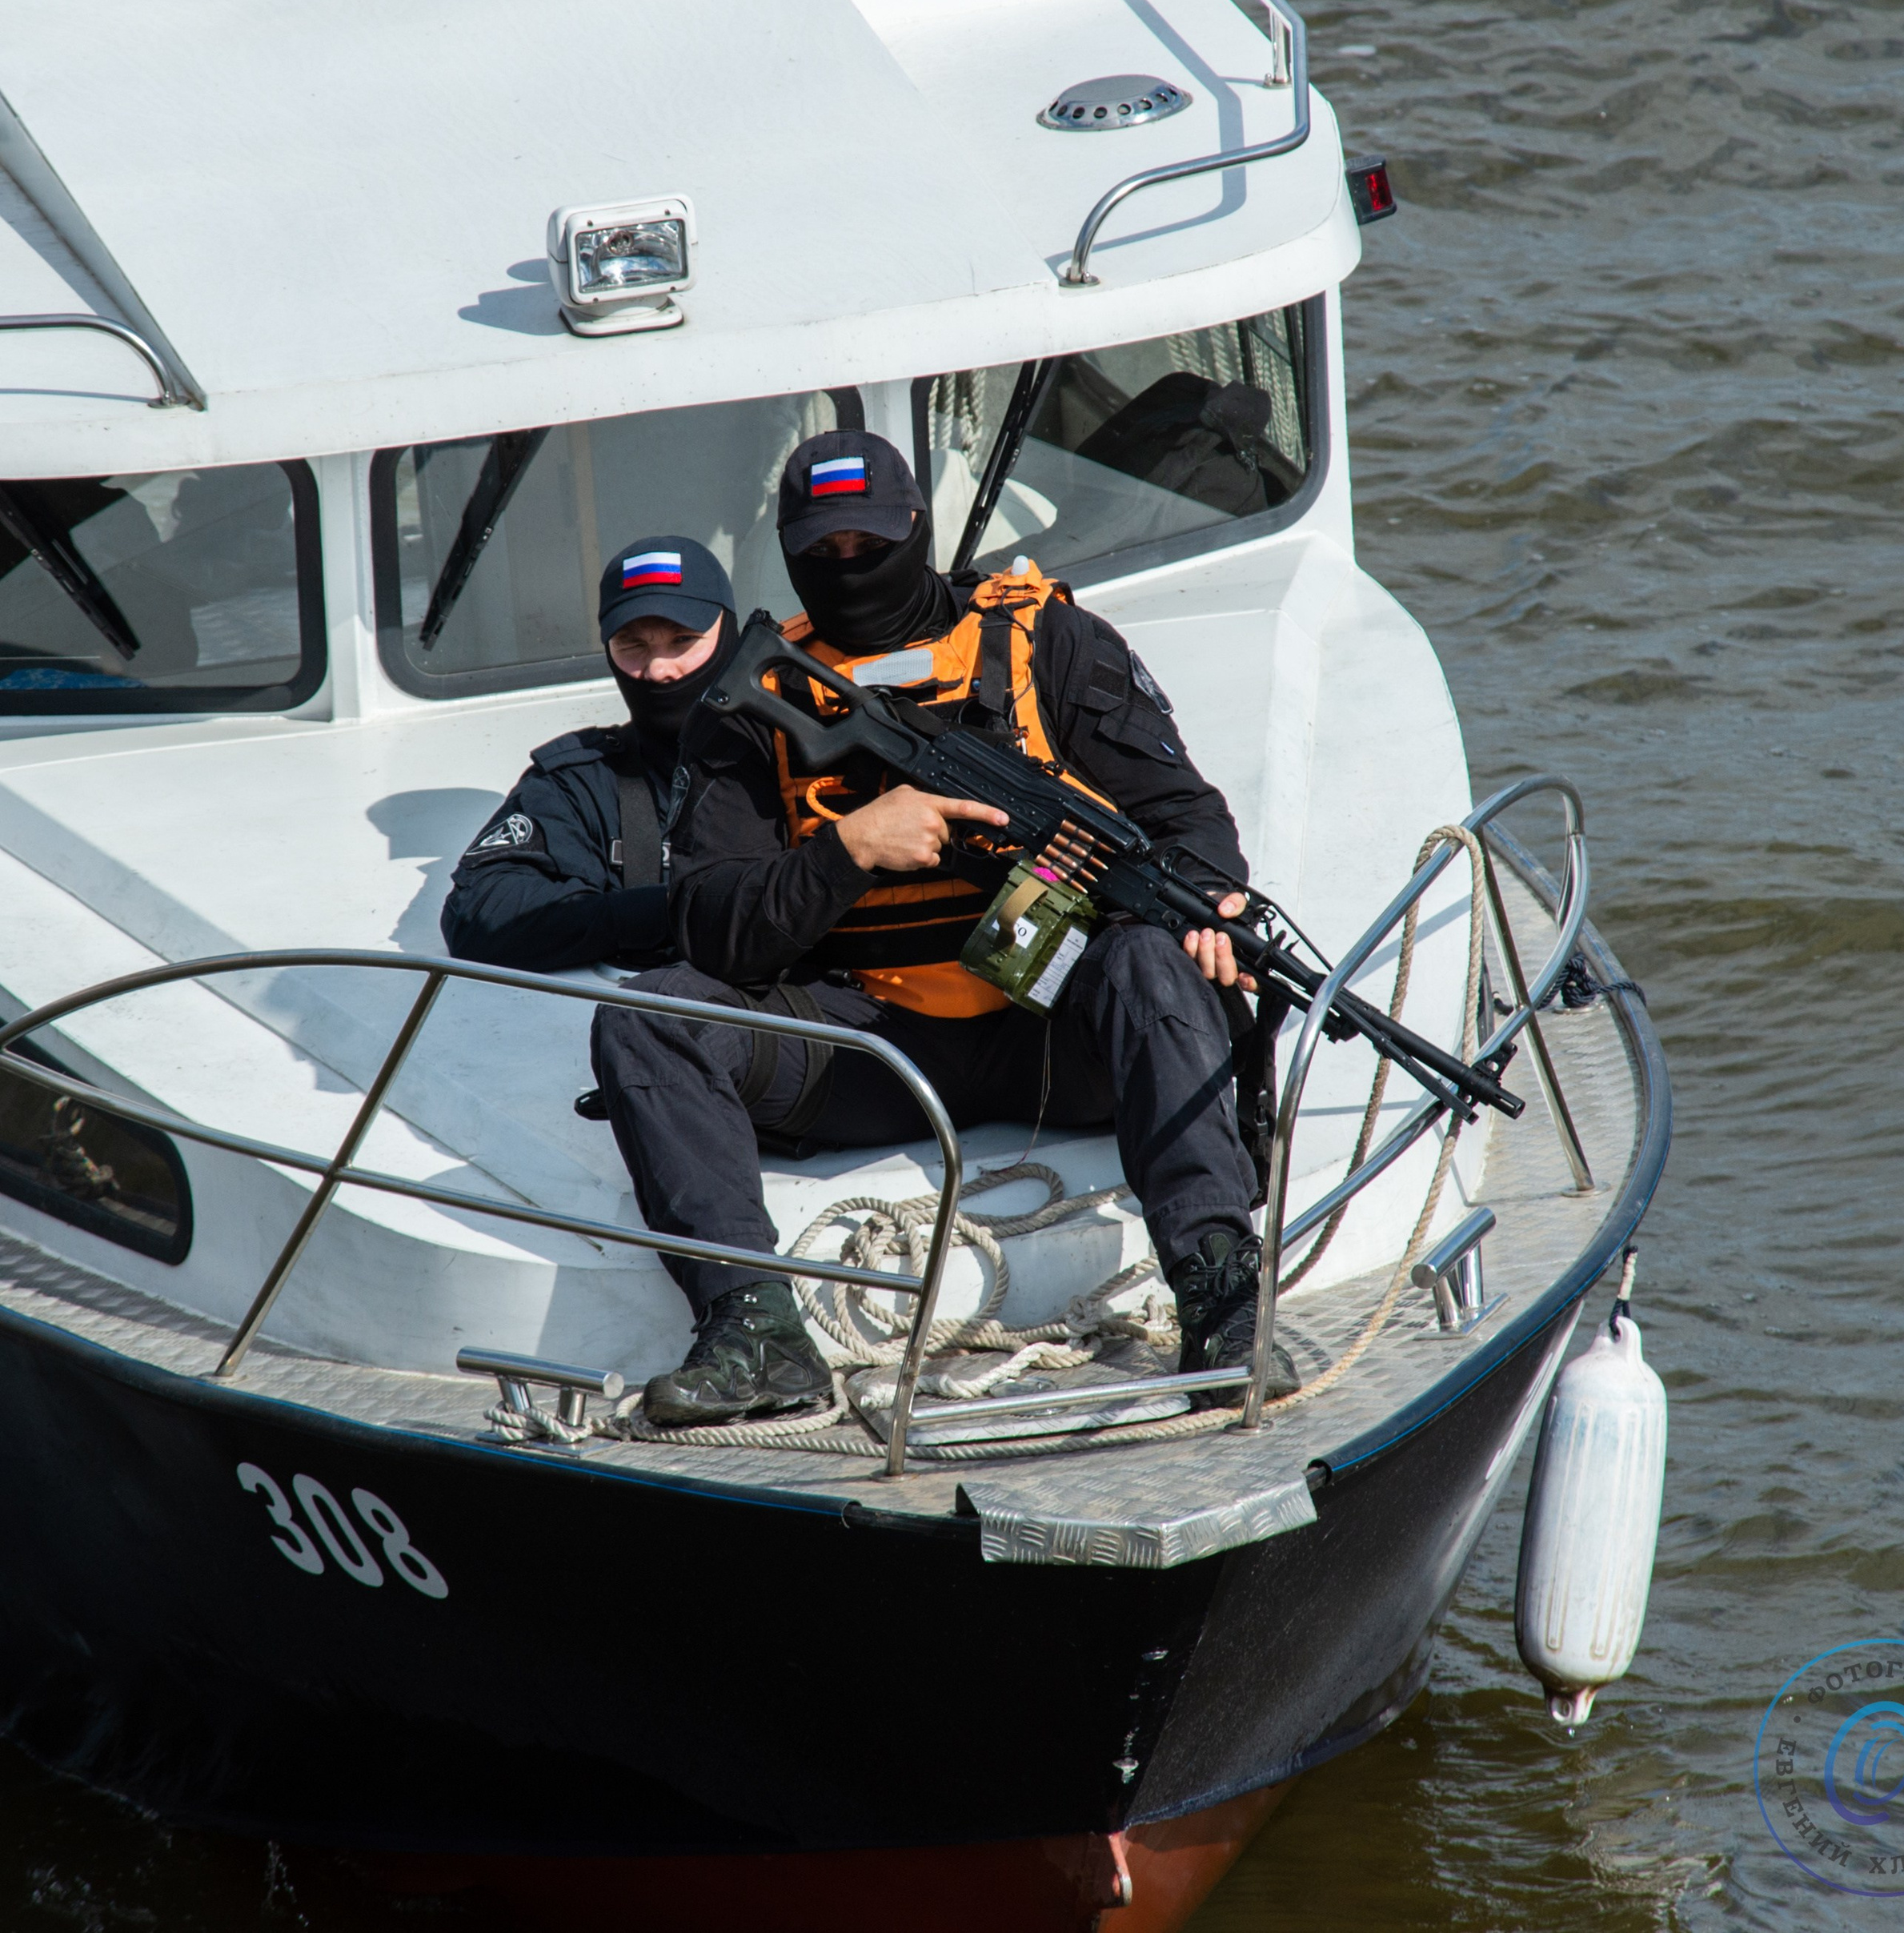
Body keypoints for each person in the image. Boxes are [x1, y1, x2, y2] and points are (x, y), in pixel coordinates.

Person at [459, 434, 1298, 1426]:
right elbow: (715, 929)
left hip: (1053, 1027)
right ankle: (756, 1334)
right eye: (824, 548)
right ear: (789, 548)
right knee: (647, 1019)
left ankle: (1221, 1295)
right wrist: (849, 849)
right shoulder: (759, 699)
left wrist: (1216, 904)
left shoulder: (1052, 645)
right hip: (871, 1039)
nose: (849, 564)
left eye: (870, 542)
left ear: (916, 529)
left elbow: (1185, 817)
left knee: (1154, 955)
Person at [440, 536, 737, 972]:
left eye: (683, 640)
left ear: (728, 636)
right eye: (633, 646)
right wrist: (670, 913)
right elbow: (480, 915)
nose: (658, 669)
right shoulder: (581, 780)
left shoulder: (796, 761)